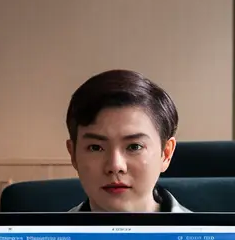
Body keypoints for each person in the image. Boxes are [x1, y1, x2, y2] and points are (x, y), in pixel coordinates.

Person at [65, 69, 191, 213]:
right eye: (95, 147)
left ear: (166, 154)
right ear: (73, 154)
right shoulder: (47, 235)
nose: (115, 166)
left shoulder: (212, 234)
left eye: (134, 146)